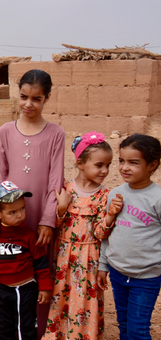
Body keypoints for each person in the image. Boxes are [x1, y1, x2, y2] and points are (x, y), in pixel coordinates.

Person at [0, 69, 64, 338]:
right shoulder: (6, 131)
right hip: (8, 216)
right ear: (16, 94)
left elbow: (56, 179)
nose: (28, 104)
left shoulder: (56, 134)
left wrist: (47, 220)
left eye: (37, 99)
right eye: (23, 97)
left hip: (39, 214)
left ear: (47, 98)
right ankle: (3, 331)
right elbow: (0, 175)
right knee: (8, 267)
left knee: (39, 267)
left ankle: (35, 331)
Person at [42, 132, 114, 339]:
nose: (105, 170)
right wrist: (62, 208)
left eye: (108, 165)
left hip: (89, 260)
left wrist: (110, 216)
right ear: (81, 163)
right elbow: (52, 225)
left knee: (85, 301)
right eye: (99, 165)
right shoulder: (65, 189)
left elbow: (101, 233)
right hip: (63, 257)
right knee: (61, 298)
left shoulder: (105, 195)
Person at [98, 134, 161, 340]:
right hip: (118, 272)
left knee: (137, 330)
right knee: (124, 325)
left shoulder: (157, 198)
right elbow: (107, 234)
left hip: (146, 277)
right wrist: (103, 265)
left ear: (152, 165)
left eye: (133, 162)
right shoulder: (115, 194)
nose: (125, 167)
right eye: (122, 161)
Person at [0, 181, 53, 340]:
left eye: (22, 209)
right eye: (12, 212)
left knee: (25, 328)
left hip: (25, 289)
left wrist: (45, 287)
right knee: (4, 326)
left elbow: (41, 263)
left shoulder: (28, 235)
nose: (20, 215)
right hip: (2, 289)